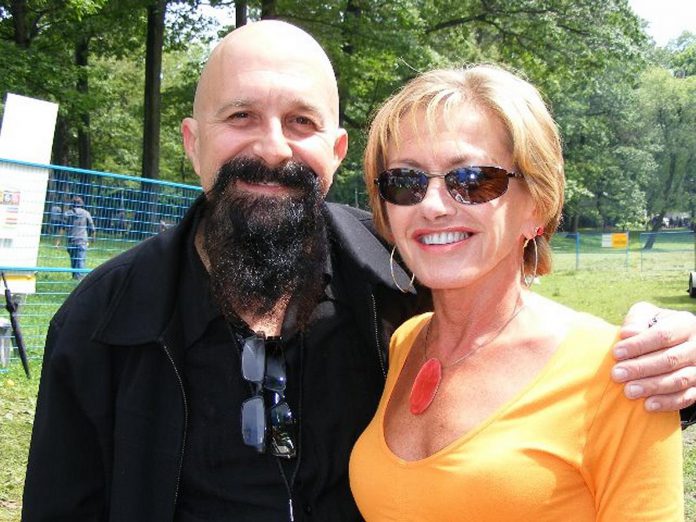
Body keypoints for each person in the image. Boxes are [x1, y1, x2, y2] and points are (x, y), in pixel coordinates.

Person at [22, 21, 696, 522]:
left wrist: (675, 361)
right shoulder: (101, 324)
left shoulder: (394, 282)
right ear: (194, 144)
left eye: (302, 121)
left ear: (336, 151)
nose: (273, 145)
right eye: (240, 116)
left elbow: (551, 378)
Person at [349, 65, 683, 520]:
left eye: (471, 180)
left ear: (538, 206)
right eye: (405, 182)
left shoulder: (620, 372)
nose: (431, 206)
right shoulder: (403, 341)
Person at [61, 196, 96, 279]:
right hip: (82, 240)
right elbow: (92, 227)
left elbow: (62, 227)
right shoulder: (86, 213)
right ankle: (79, 279)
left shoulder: (67, 213)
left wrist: (58, 242)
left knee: (73, 260)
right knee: (80, 260)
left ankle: (74, 277)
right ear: (82, 204)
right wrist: (93, 238)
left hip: (71, 240)